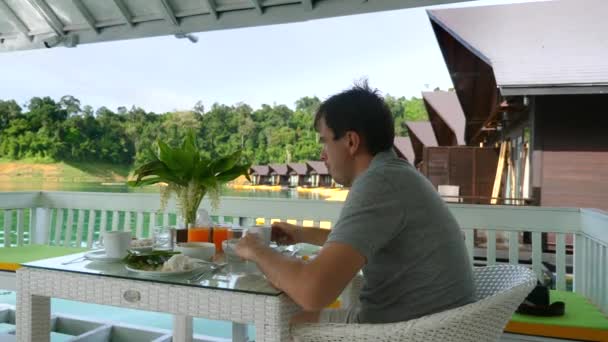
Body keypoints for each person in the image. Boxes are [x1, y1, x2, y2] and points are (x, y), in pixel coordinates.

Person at [235, 81, 474, 324]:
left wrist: (256, 250)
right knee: (300, 317)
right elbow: (361, 241)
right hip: (439, 324)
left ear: (351, 142)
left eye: (325, 141)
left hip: (407, 331)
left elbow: (312, 291)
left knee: (290, 322)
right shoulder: (395, 174)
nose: (322, 155)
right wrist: (301, 232)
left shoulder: (379, 183)